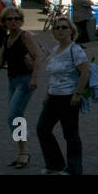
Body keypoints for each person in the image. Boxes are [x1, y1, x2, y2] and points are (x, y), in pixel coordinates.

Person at [0, 7, 45, 169]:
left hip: (25, 81)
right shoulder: (7, 39)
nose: (13, 21)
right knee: (16, 116)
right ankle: (22, 151)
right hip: (12, 81)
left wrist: (34, 78)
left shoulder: (25, 36)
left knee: (13, 116)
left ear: (21, 21)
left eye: (16, 18)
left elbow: (38, 56)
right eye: (10, 19)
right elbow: (0, 61)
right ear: (4, 22)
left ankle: (23, 151)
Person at [35, 16, 90, 175]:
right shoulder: (54, 50)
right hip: (53, 96)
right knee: (43, 129)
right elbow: (54, 76)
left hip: (69, 96)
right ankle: (54, 164)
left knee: (70, 134)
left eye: (64, 27)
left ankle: (74, 168)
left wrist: (77, 94)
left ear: (71, 31)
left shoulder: (75, 50)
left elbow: (85, 72)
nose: (60, 30)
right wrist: (47, 93)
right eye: (57, 28)